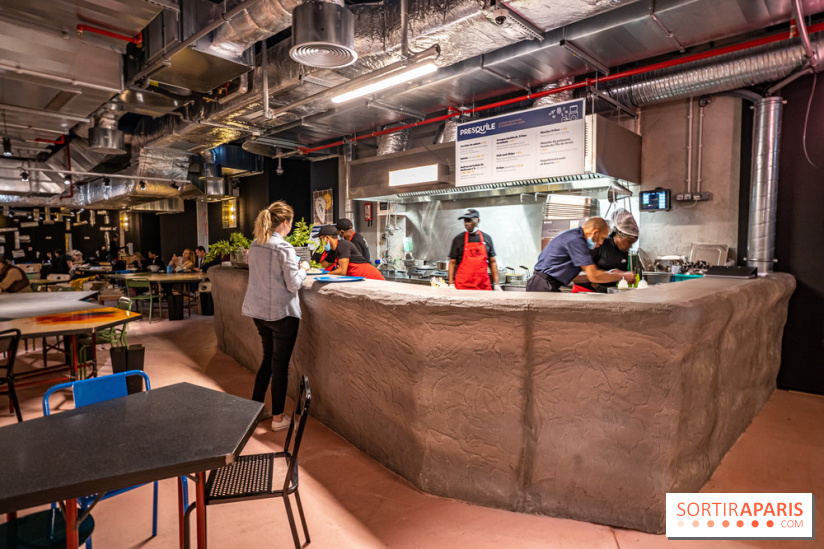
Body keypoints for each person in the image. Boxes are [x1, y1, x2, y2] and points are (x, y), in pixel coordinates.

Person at [242, 201, 310, 431]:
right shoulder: (284, 248)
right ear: (285, 223)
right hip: (281, 315)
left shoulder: (256, 243)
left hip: (258, 313)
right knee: (280, 365)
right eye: (290, 222)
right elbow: (293, 285)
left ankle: (256, 411)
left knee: (267, 361)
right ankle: (278, 419)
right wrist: (304, 269)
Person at [527, 217, 635, 292]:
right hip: (542, 285)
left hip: (544, 284)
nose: (601, 243)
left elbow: (581, 277)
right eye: (602, 238)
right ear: (595, 233)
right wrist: (622, 276)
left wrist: (609, 274)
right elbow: (594, 276)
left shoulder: (576, 237)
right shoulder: (576, 240)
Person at [574, 209, 639, 293]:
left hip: (606, 294)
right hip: (585, 292)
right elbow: (580, 274)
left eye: (632, 243)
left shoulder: (624, 250)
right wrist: (600, 287)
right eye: (629, 242)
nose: (630, 246)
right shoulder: (599, 244)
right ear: (619, 235)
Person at [447, 208, 501, 291]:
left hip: (483, 287)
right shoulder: (458, 239)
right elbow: (452, 263)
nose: (466, 223)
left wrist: (497, 284)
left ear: (478, 220)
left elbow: (492, 262)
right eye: (465, 220)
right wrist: (451, 284)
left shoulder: (487, 238)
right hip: (463, 286)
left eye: (469, 220)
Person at [317, 225, 385, 280]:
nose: (320, 242)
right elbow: (324, 264)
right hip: (357, 278)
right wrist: (311, 269)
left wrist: (325, 275)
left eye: (321, 239)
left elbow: (342, 271)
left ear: (327, 238)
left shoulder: (343, 245)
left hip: (370, 277)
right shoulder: (334, 250)